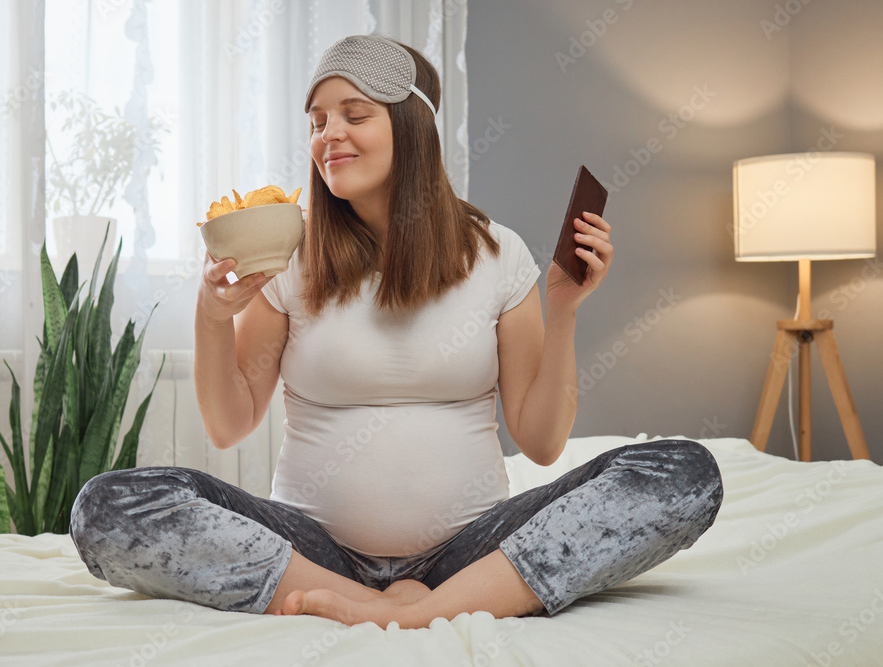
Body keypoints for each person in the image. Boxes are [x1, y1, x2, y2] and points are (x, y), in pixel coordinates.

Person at [69, 34, 724, 630]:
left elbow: (542, 439)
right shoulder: (290, 255)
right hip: (312, 550)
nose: (329, 135)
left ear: (412, 125)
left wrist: (563, 307)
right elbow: (230, 424)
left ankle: (427, 609)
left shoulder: (498, 255)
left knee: (684, 472)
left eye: (355, 114)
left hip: (470, 549)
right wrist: (213, 318)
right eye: (319, 121)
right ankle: (380, 606)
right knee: (106, 507)